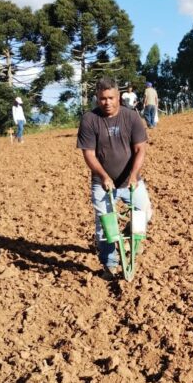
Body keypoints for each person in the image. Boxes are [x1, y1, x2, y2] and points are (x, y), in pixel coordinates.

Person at [77, 77, 153, 276]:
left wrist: (134, 176)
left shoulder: (131, 117)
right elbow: (89, 154)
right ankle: (109, 263)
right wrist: (103, 176)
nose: (107, 102)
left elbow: (140, 149)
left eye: (111, 98)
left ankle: (130, 236)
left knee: (144, 212)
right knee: (105, 224)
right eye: (102, 99)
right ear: (97, 98)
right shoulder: (89, 119)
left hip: (131, 181)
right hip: (102, 183)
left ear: (118, 97)